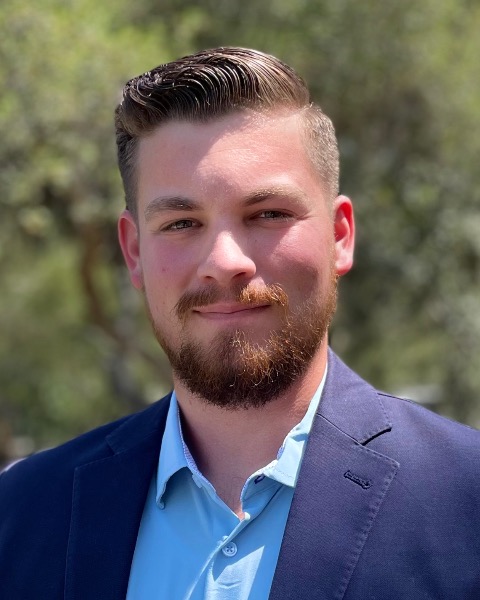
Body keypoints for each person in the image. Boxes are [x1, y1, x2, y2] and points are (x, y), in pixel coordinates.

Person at [0, 47, 479, 600]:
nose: (225, 262)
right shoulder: (22, 515)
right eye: (181, 223)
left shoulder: (466, 502)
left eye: (269, 214)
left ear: (340, 235)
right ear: (133, 253)